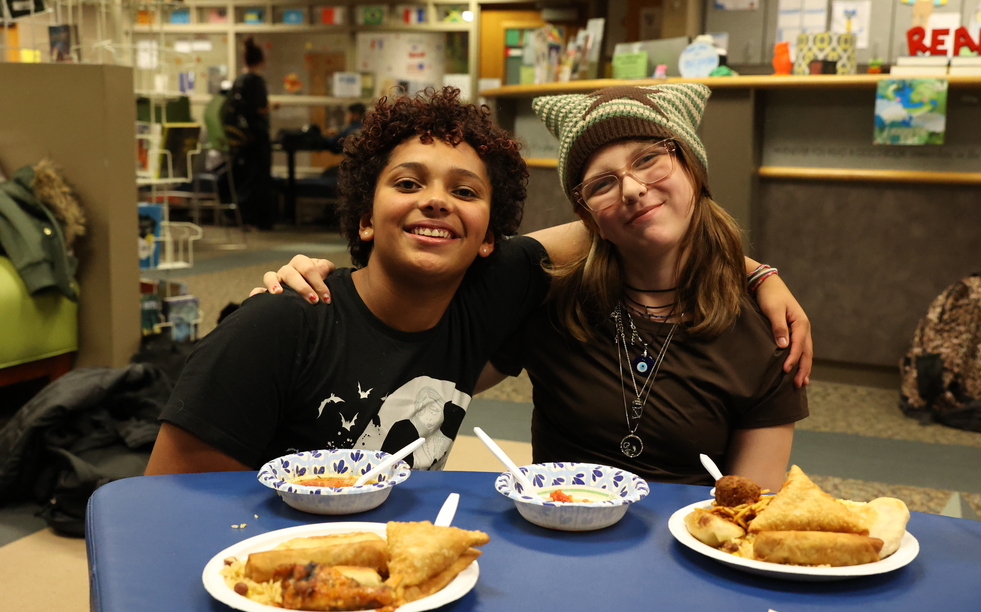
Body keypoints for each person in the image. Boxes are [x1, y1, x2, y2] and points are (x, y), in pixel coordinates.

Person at [258, 84, 811, 491]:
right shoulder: (554, 298)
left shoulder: (766, 330)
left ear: (693, 167)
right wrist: (320, 311)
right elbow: (419, 355)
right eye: (603, 183)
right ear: (585, 211)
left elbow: (749, 510)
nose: (635, 190)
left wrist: (754, 271)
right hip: (557, 539)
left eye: (650, 159)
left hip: (688, 554)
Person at [145, 87, 551, 475]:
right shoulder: (279, 327)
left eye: (464, 191)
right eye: (408, 183)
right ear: (366, 219)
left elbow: (596, 229)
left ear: (489, 238)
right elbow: (168, 510)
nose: (436, 200)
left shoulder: (471, 318)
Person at [224, 37, 276, 231]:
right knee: (258, 178)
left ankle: (243, 216)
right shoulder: (255, 82)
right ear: (260, 60)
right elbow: (260, 108)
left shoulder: (239, 81)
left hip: (244, 139)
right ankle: (257, 219)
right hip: (257, 137)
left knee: (247, 177)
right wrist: (271, 109)